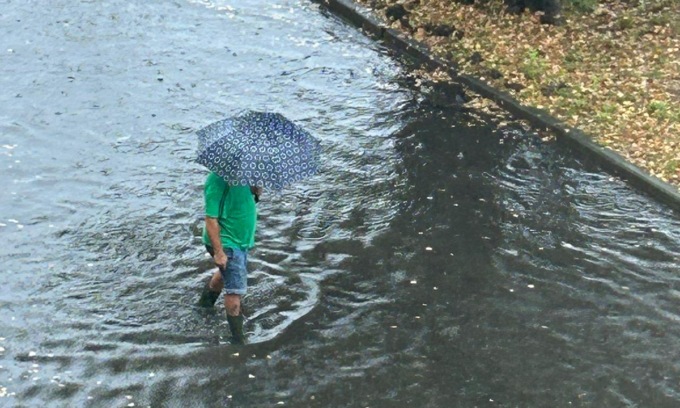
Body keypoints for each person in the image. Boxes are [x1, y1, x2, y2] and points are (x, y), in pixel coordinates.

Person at [198, 172, 260, 344]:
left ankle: (204, 306)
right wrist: (219, 252)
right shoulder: (216, 181)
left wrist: (255, 191)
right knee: (235, 292)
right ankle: (238, 340)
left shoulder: (246, 174)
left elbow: (244, 202)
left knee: (226, 274)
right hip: (227, 243)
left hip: (240, 241)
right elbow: (211, 219)